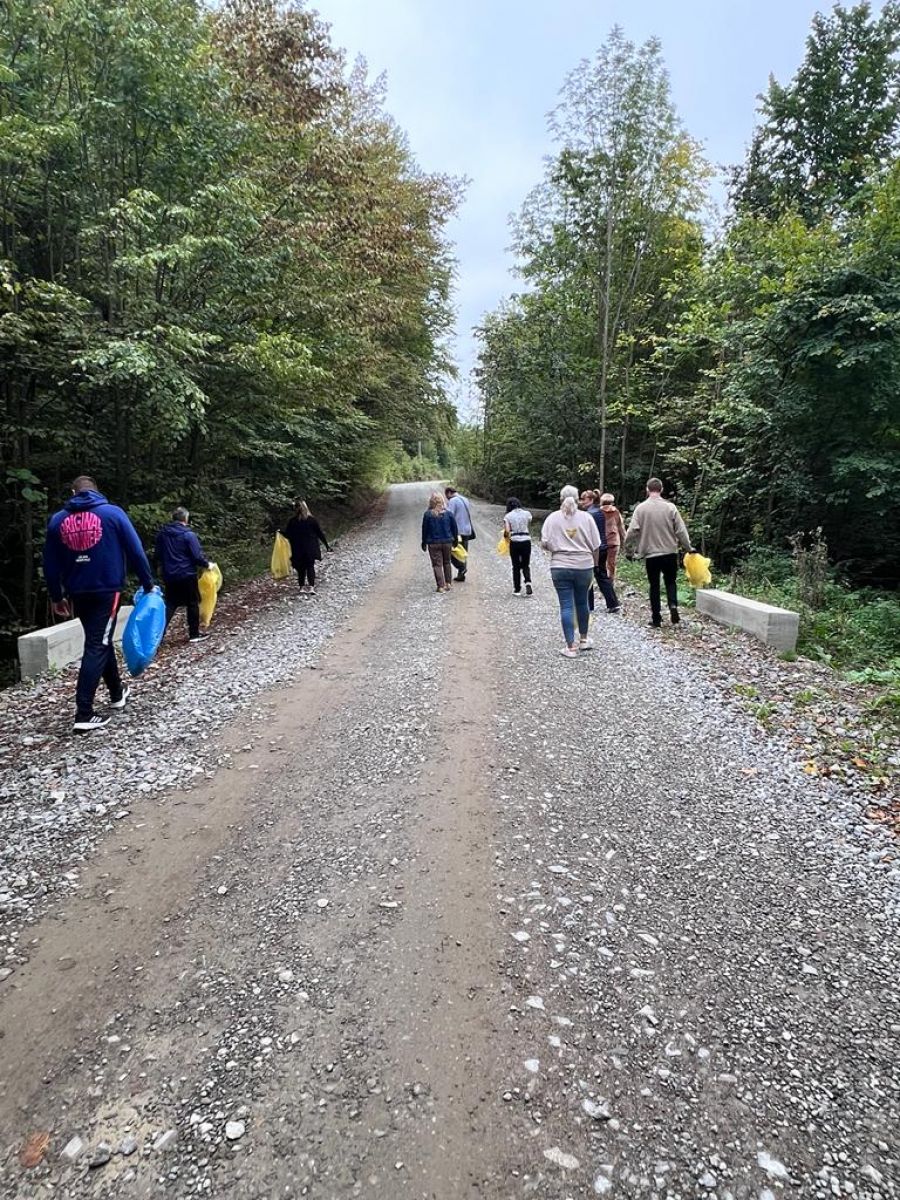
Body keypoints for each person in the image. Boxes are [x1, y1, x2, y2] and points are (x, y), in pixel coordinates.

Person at [43, 474, 155, 734]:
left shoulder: (57, 520)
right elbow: (135, 550)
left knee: (99, 639)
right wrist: (148, 583)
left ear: (73, 493)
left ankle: (116, 693)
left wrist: (56, 596)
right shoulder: (113, 514)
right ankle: (84, 712)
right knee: (97, 643)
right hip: (106, 589)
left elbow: (49, 563)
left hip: (77, 591)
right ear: (96, 491)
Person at [624, 477, 694, 628]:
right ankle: (673, 605)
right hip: (670, 552)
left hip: (651, 554)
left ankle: (656, 618)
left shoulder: (641, 509)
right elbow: (681, 531)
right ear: (661, 489)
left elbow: (632, 531)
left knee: (654, 585)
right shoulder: (670, 508)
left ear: (647, 489)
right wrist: (689, 548)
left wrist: (628, 550)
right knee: (671, 582)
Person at [541, 485, 601, 657]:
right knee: (582, 603)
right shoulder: (587, 518)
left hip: (559, 566)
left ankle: (570, 647)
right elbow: (596, 545)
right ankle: (584, 640)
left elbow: (545, 543)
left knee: (566, 605)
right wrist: (595, 564)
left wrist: (557, 548)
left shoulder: (552, 518)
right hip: (584, 566)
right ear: (578, 499)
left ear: (561, 499)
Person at [154, 507, 210, 643]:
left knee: (170, 604)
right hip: (187, 574)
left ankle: (157, 636)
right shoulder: (188, 535)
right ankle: (194, 634)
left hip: (169, 575)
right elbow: (196, 556)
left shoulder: (162, 535)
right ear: (185, 518)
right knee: (192, 603)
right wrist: (207, 564)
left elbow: (157, 555)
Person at [579, 490, 620, 615]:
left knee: (587, 575)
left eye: (584, 499)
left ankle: (588, 605)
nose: (581, 502)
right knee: (602, 575)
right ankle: (613, 603)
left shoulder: (589, 515)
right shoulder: (599, 512)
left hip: (592, 549)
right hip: (603, 547)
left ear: (591, 500)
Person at [284, 500, 330, 595]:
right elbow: (320, 533)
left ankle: (301, 587)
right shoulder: (312, 520)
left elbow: (288, 535)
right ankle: (311, 587)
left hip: (297, 548)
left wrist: (279, 532)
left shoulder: (293, 521)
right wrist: (327, 545)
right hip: (310, 548)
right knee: (310, 566)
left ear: (296, 509)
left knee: (301, 568)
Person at [421, 491, 459, 593]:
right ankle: (448, 583)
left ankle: (440, 586)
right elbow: (454, 529)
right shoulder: (449, 514)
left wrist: (424, 542)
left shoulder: (428, 515)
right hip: (447, 542)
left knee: (437, 565)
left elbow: (424, 530)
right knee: (447, 562)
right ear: (442, 501)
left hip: (433, 543)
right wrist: (455, 540)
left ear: (431, 502)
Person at [503, 497, 533, 596]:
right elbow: (529, 521)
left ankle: (517, 589)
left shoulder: (508, 516)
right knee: (525, 564)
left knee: (515, 566)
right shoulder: (527, 513)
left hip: (515, 541)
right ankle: (528, 582)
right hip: (526, 540)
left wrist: (505, 537)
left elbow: (507, 531)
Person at [444, 486, 474, 581]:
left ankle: (461, 568)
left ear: (449, 493)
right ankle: (461, 574)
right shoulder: (465, 499)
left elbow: (449, 516)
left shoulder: (453, 501)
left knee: (452, 552)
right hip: (467, 530)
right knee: (463, 553)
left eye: (446, 496)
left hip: (458, 531)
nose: (447, 498)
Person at [598, 492, 626, 581]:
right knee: (612, 563)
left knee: (601, 563)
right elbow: (621, 528)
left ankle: (603, 581)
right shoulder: (616, 512)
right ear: (612, 502)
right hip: (614, 541)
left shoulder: (598, 512)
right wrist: (624, 541)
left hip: (601, 541)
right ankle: (611, 581)